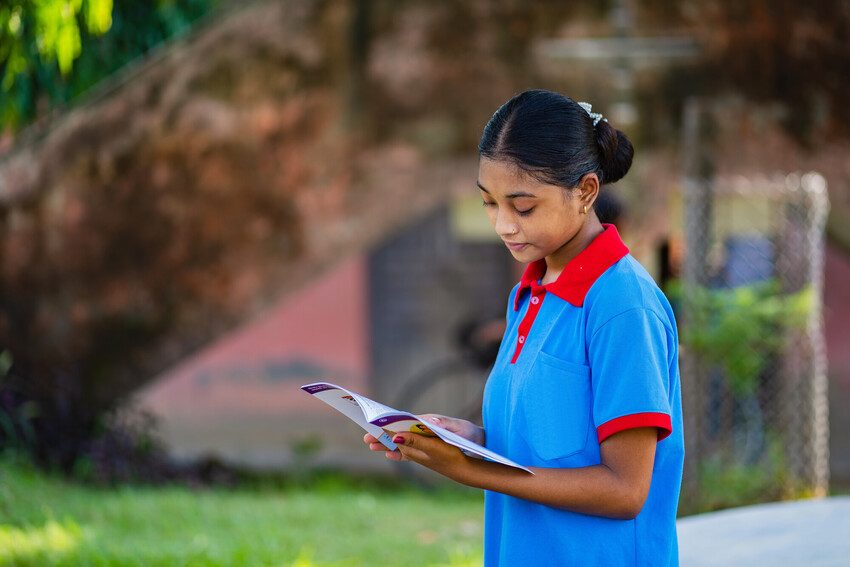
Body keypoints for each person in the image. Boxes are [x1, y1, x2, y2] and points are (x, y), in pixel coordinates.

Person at [363, 89, 684, 566]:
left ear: (586, 192)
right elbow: (551, 448)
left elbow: (625, 490)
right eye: (489, 203)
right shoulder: (530, 293)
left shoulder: (623, 306)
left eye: (523, 207)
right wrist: (468, 439)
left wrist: (475, 473)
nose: (503, 225)